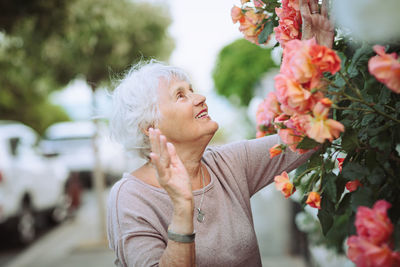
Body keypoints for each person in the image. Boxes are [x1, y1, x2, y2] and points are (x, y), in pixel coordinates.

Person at [107, 0, 334, 266]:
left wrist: (315, 60)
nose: (200, 98)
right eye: (180, 95)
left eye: (192, 89)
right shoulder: (131, 197)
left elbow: (309, 135)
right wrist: (182, 206)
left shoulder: (229, 164)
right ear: (150, 127)